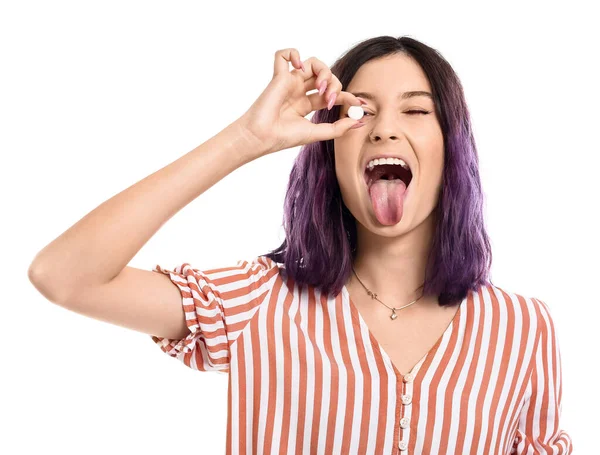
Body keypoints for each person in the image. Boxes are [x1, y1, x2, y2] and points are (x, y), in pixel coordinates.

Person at [28, 35, 572, 454]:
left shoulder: (522, 330)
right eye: (358, 111)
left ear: (453, 148)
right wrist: (246, 139)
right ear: (329, 149)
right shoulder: (258, 301)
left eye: (415, 110)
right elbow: (65, 276)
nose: (384, 129)